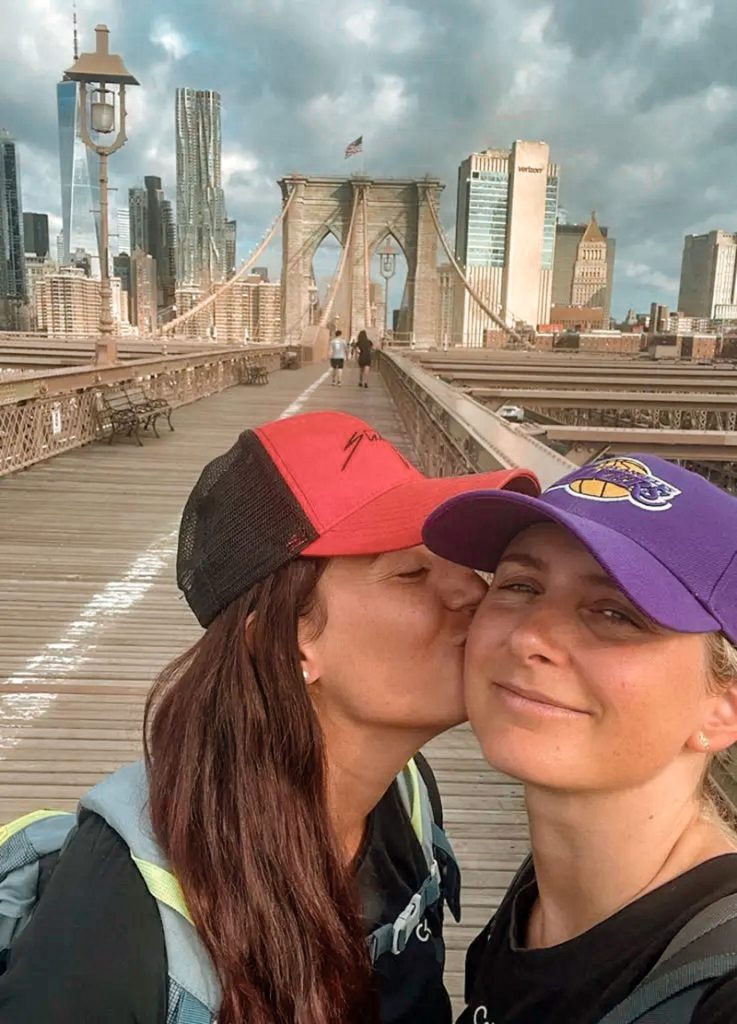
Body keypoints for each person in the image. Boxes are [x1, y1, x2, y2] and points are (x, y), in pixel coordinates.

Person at [0, 410, 539, 1024]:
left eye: (457, 558)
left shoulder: (406, 795)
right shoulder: (114, 924)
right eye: (413, 572)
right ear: (287, 644)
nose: (472, 590)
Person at [424, 455, 737, 1024]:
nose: (530, 636)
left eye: (615, 613)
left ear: (724, 709)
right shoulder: (539, 902)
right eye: (520, 584)